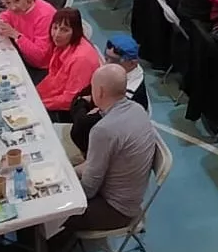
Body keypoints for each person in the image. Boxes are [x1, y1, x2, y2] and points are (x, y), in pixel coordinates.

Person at [66, 64, 157, 231]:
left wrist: (63, 193)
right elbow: (98, 164)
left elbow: (89, 188)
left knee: (52, 213)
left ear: (99, 92)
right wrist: (69, 172)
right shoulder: (137, 110)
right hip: (132, 201)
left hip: (115, 210)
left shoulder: (103, 130)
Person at [36, 8, 102, 114]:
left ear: (75, 31)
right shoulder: (64, 44)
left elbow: (70, 99)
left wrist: (40, 104)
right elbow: (53, 76)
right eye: (55, 27)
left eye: (64, 30)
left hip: (72, 109)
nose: (57, 34)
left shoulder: (81, 59)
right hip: (56, 95)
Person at [0, 0, 59, 72]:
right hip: (23, 55)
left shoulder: (45, 15)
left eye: (17, 0)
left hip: (43, 67)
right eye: (7, 3)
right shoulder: (19, 8)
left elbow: (40, 55)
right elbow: (6, 16)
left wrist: (15, 35)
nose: (13, 7)